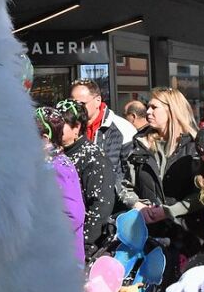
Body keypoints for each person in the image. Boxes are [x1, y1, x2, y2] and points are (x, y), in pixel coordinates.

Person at [119, 87, 204, 272]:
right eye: (147, 107)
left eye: (154, 107)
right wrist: (137, 205)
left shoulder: (194, 147)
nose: (148, 112)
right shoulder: (137, 145)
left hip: (188, 237)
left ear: (172, 110)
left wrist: (169, 211)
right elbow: (123, 184)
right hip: (147, 235)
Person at [56, 98, 115, 255]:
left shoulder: (93, 158)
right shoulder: (56, 154)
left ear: (77, 127)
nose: (54, 130)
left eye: (61, 126)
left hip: (78, 246)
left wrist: (83, 244)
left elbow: (101, 206)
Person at [35, 106, 85, 263]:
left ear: (44, 138)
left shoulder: (58, 167)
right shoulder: (44, 164)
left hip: (61, 260)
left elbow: (74, 215)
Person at [70, 78, 137, 176]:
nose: (76, 108)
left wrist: (115, 190)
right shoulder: (68, 127)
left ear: (98, 100)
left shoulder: (123, 128)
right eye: (73, 103)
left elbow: (131, 173)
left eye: (82, 104)